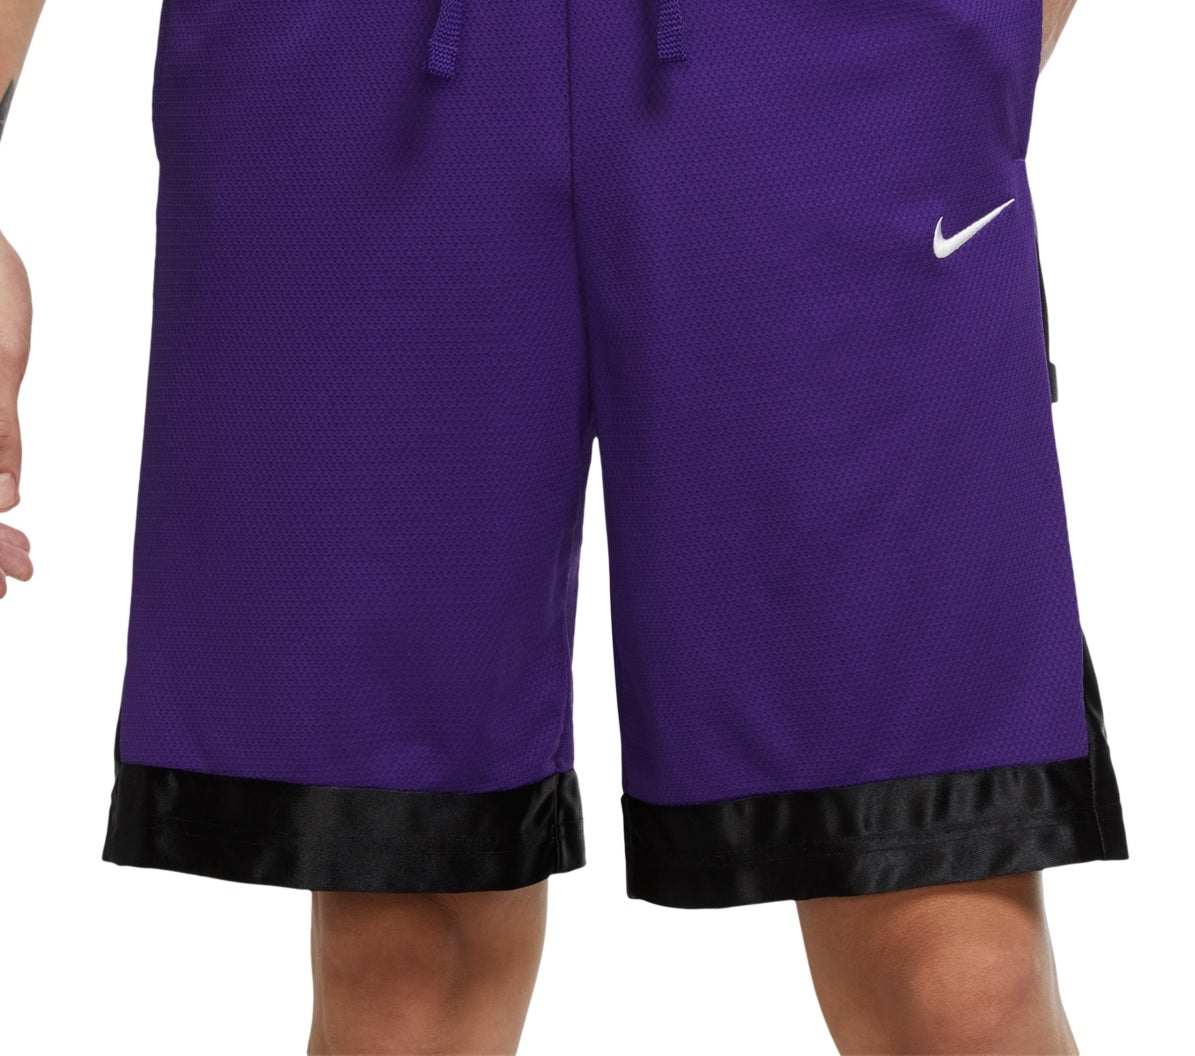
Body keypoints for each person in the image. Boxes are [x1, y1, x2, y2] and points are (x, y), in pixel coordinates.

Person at [1, 1, 1128, 1052]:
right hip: (351, 67)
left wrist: (937, 69)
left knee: (944, 945)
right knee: (404, 942)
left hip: (825, 63)